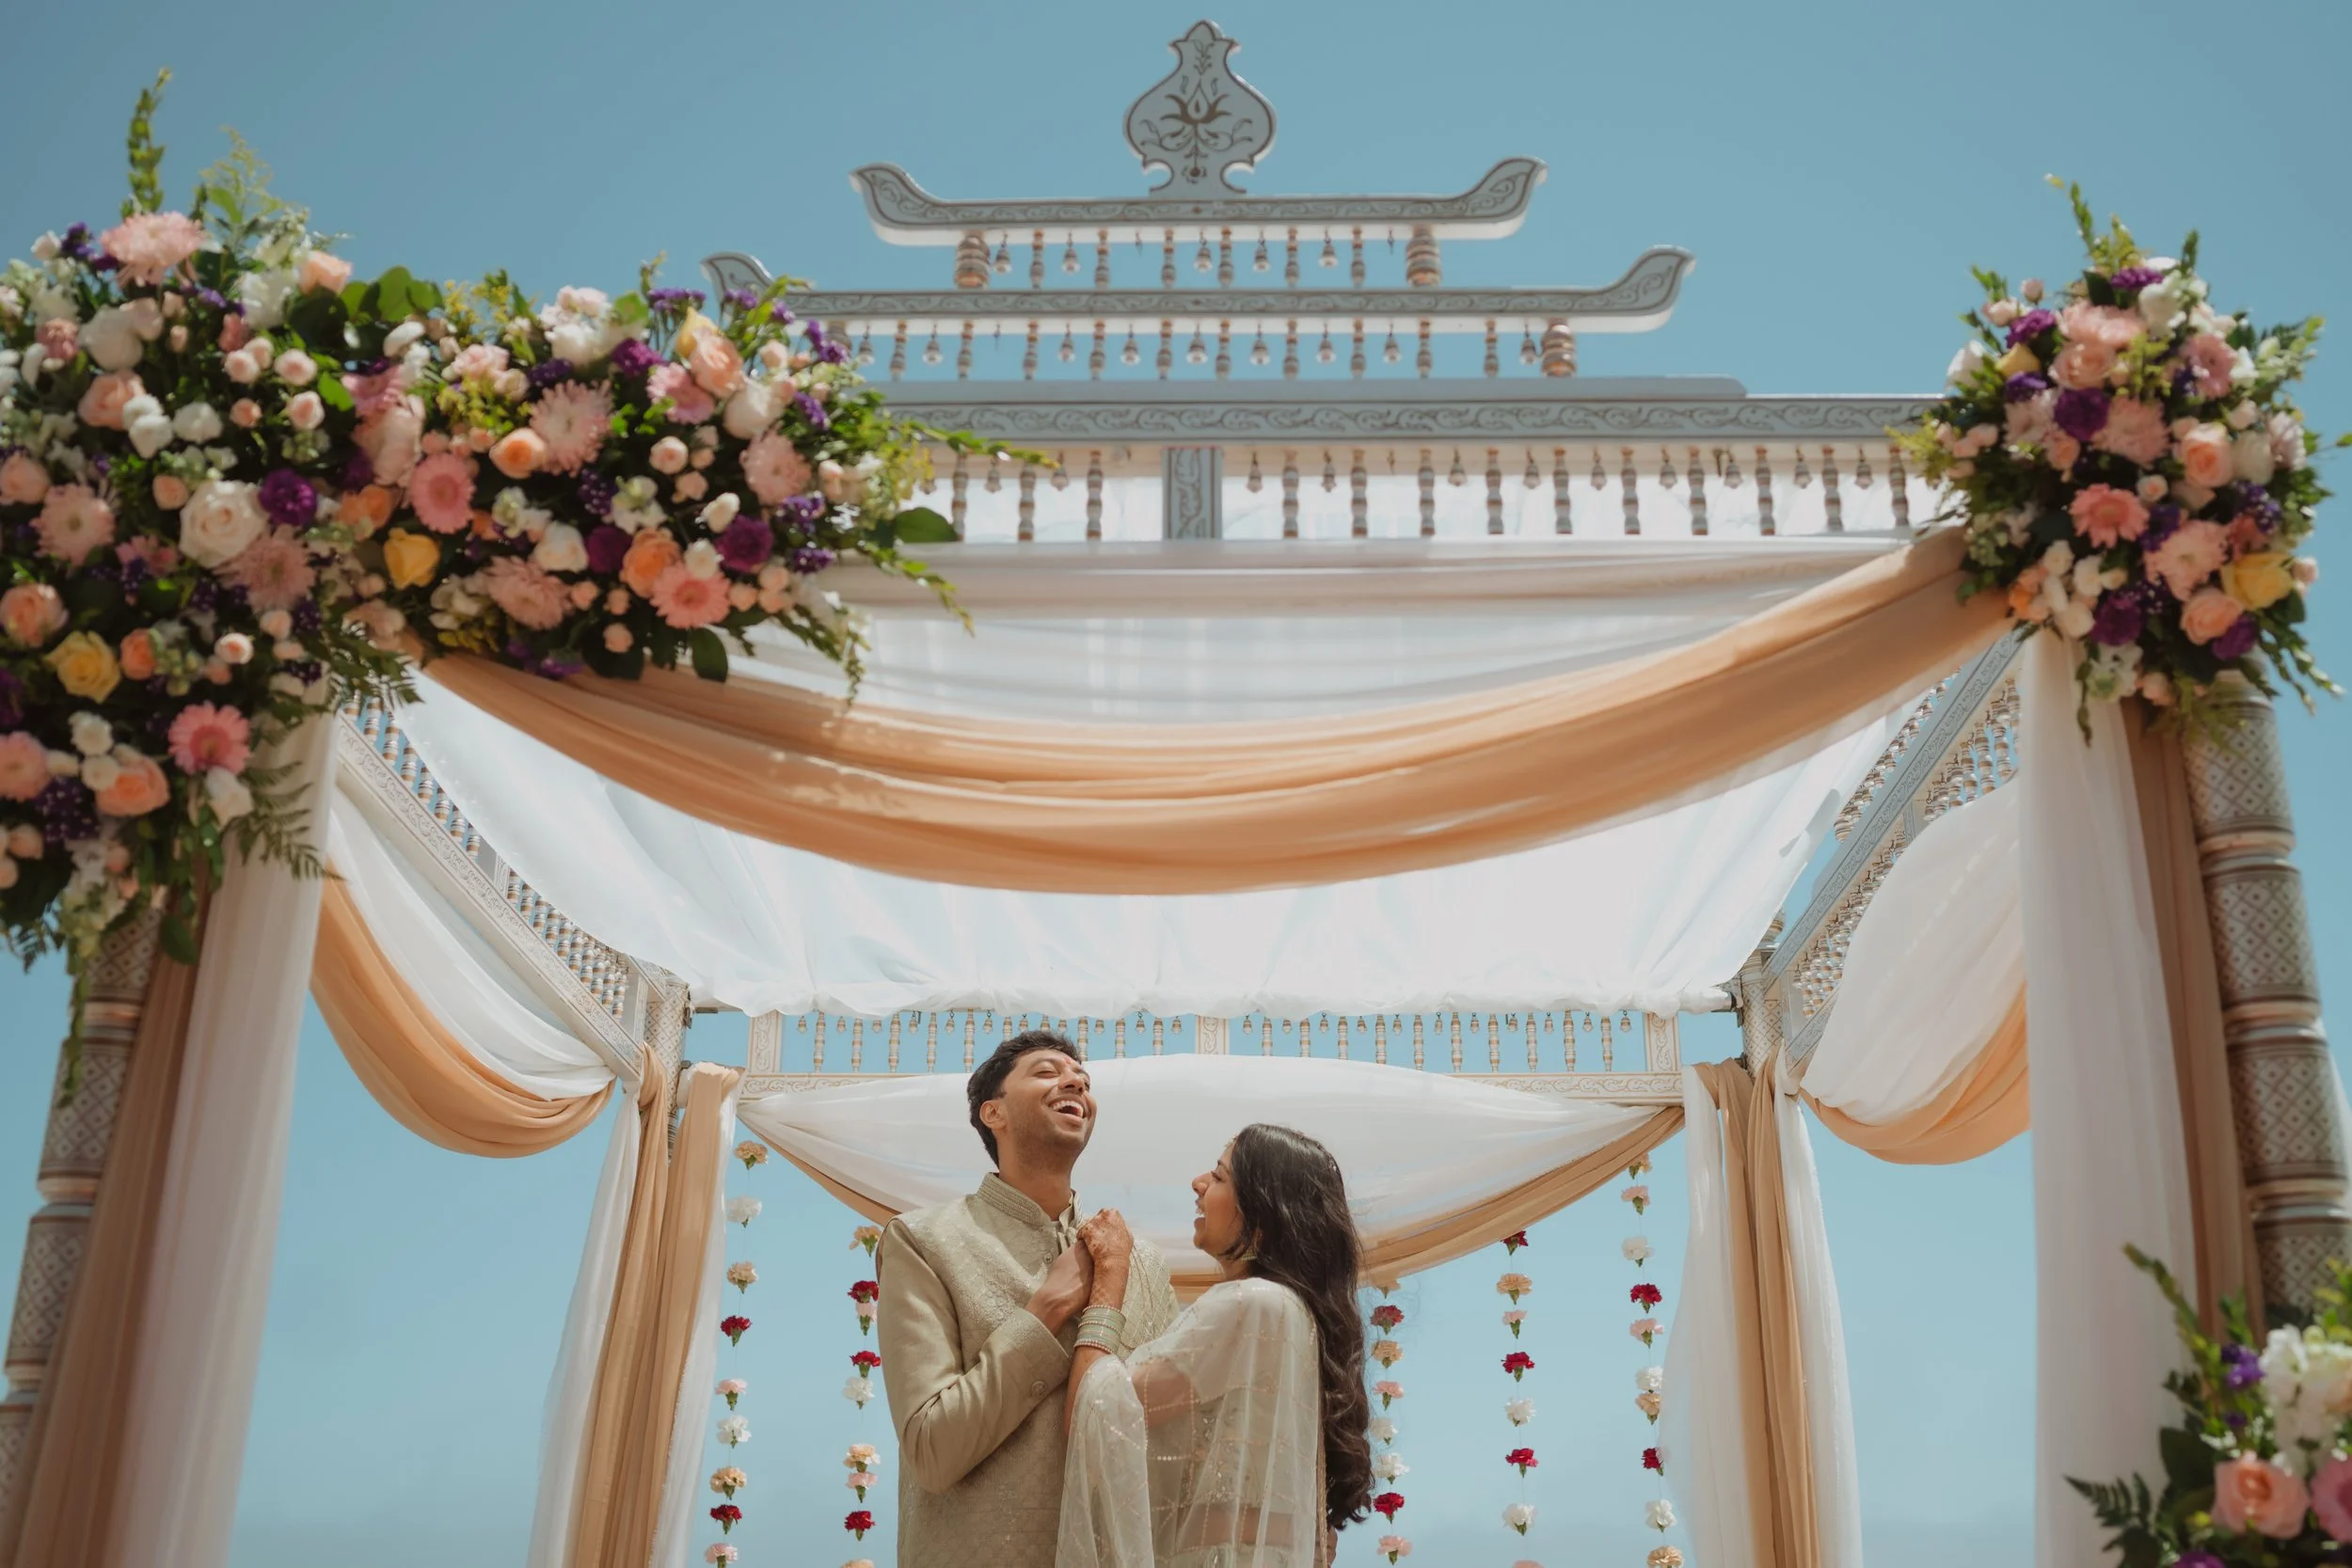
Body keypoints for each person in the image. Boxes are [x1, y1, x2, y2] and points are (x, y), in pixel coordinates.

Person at [877, 1030, 1180, 1568]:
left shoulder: (1143, 1262)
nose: (1075, 1082)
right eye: (1046, 1071)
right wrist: (1048, 1309)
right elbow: (932, 1451)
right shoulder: (925, 1241)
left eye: (1082, 1080)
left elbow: (1171, 1442)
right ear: (993, 1113)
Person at [1057, 1124, 1374, 1568]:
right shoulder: (1290, 1314)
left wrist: (1109, 1281)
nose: (1198, 1183)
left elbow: (1095, 1416)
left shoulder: (1254, 1306)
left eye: (1220, 1177)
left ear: (1263, 1218)